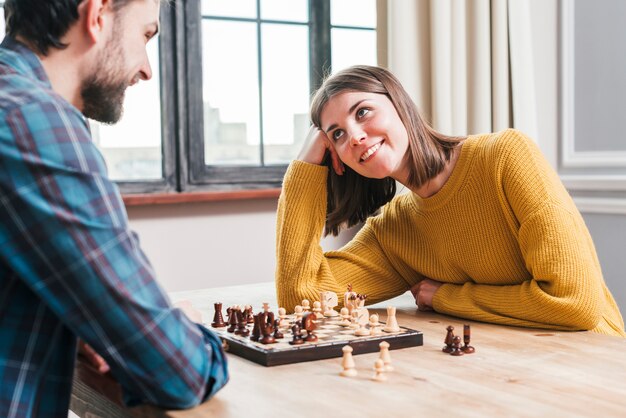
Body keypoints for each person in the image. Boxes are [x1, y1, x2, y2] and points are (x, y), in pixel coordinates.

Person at [275, 65, 625, 337]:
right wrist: (304, 169)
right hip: (513, 373)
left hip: (595, 366)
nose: (354, 135)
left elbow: (575, 303)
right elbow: (302, 297)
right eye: (336, 134)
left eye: (363, 112)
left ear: (400, 105)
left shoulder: (505, 157)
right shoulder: (394, 230)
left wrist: (445, 297)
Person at [0, 0, 228, 416]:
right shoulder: (31, 120)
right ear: (97, 14)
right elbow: (182, 372)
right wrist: (189, 325)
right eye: (145, 35)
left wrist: (80, 325)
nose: (146, 69)